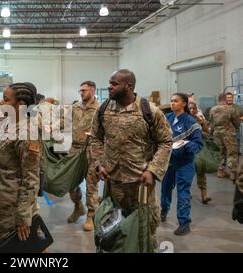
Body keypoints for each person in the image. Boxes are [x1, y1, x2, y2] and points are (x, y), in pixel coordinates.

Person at [89, 69, 173, 249]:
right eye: (109, 83)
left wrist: (152, 170)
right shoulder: (104, 110)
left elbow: (165, 142)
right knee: (115, 230)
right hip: (114, 185)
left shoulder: (149, 111)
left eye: (114, 84)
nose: (109, 87)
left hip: (141, 186)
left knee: (145, 231)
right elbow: (95, 138)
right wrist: (99, 164)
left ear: (129, 86)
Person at [0, 82, 41, 243]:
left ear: (20, 105)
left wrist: (23, 216)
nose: (1, 103)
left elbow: (31, 178)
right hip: (4, 201)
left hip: (14, 208)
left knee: (12, 246)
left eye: (6, 100)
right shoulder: (7, 123)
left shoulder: (25, 133)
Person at [161, 93, 204, 236]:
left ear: (184, 104)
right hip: (168, 161)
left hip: (184, 163)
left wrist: (186, 144)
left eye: (176, 101)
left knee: (183, 193)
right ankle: (164, 210)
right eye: (171, 101)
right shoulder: (168, 118)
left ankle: (184, 223)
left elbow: (198, 144)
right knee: (165, 189)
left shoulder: (191, 122)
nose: (172, 103)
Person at [67, 81, 100, 232]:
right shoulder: (75, 107)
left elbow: (107, 129)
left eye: (84, 90)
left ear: (92, 91)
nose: (81, 93)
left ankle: (91, 216)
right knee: (70, 182)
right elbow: (65, 121)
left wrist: (94, 136)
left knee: (91, 184)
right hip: (75, 148)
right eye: (80, 90)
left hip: (92, 150)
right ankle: (78, 207)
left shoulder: (100, 108)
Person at [209, 93, 240, 181]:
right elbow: (236, 121)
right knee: (232, 153)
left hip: (217, 134)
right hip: (228, 134)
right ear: (225, 99)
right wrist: (236, 128)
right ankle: (233, 173)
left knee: (220, 152)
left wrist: (211, 133)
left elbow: (211, 123)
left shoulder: (212, 109)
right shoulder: (230, 109)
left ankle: (220, 171)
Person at [189, 102, 212, 204]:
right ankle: (186, 192)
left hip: (199, 150)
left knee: (201, 170)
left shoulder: (200, 121)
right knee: (188, 173)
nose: (192, 110)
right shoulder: (183, 120)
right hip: (188, 150)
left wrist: (203, 124)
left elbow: (207, 135)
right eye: (190, 108)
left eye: (194, 108)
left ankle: (204, 195)